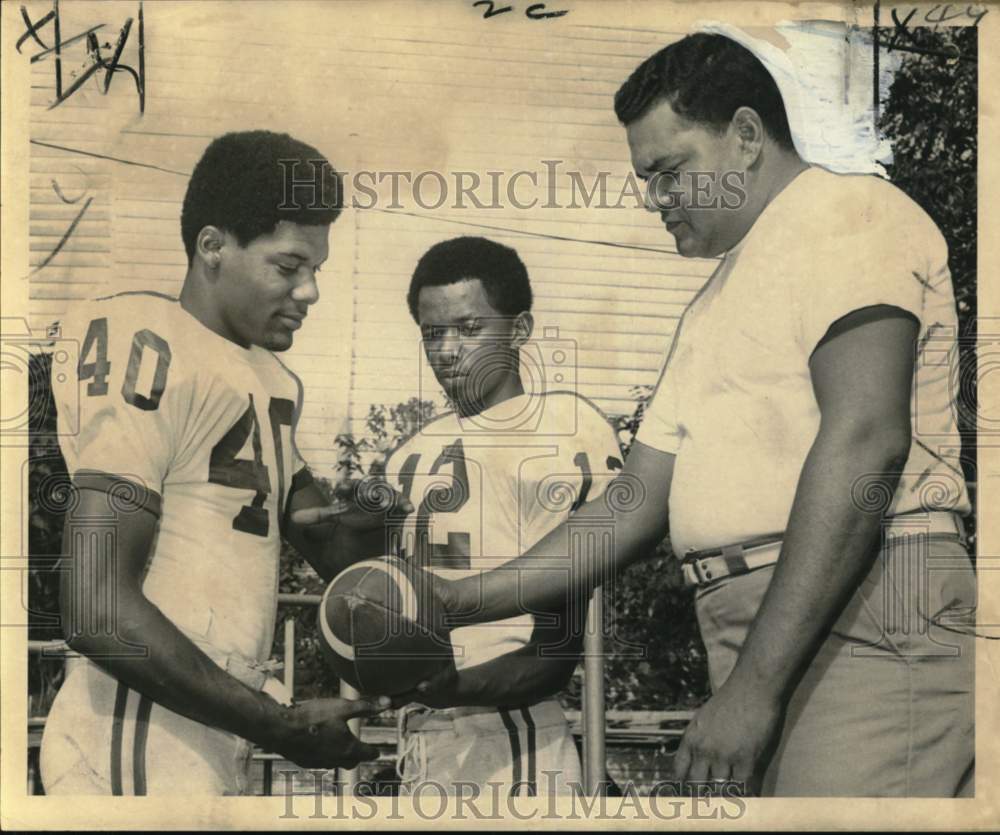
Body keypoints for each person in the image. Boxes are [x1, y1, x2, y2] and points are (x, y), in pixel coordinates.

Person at [414, 34, 975, 796]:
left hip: (865, 607)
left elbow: (866, 440)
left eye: (670, 171)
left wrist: (753, 687)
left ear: (745, 137)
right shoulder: (715, 299)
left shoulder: (851, 212)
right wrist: (462, 597)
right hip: (765, 621)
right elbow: (634, 500)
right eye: (646, 178)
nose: (655, 197)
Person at [41, 130, 388, 796]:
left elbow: (335, 546)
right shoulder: (148, 344)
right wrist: (277, 724)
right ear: (212, 247)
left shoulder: (269, 379)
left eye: (316, 269)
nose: (310, 290)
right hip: (138, 725)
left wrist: (402, 511)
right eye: (288, 267)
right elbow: (94, 607)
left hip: (211, 717)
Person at [296, 236, 624, 795]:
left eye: (470, 329)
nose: (447, 351)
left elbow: (554, 655)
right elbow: (379, 610)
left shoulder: (560, 430)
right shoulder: (409, 453)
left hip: (512, 742)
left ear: (519, 330)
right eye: (432, 332)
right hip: (421, 742)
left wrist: (449, 689)